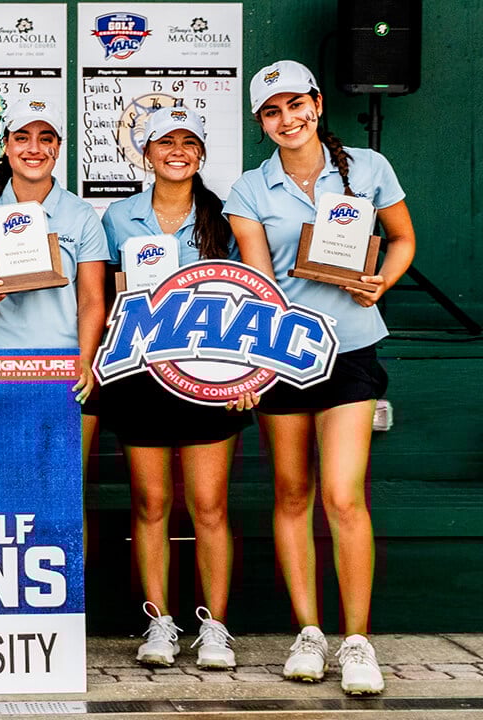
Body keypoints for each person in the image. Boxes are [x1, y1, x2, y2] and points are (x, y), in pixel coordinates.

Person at [224, 60, 415, 695]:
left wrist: (381, 282)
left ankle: (357, 640)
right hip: (283, 353)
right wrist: (257, 360)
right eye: (272, 111)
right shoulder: (248, 189)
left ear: (316, 103)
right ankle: (309, 632)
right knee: (291, 493)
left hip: (352, 348)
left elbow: (402, 240)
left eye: (295, 104)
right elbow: (258, 281)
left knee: (343, 495)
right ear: (261, 123)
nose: (287, 119)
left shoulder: (369, 167)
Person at [100, 108, 252, 669]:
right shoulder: (118, 217)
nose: (178, 150)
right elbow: (104, 296)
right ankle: (159, 622)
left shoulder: (224, 216)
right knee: (151, 504)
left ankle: (215, 627)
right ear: (146, 151)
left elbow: (249, 299)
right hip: (141, 377)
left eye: (190, 141)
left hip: (210, 377)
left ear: (202, 153)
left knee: (209, 507)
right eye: (166, 141)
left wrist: (249, 373)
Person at [0, 102, 108, 465]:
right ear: (7, 147)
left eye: (46, 138)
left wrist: (85, 360)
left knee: (66, 486)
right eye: (22, 138)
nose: (34, 148)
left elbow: (91, 299)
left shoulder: (82, 215)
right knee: (2, 479)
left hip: (65, 365)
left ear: (58, 148)